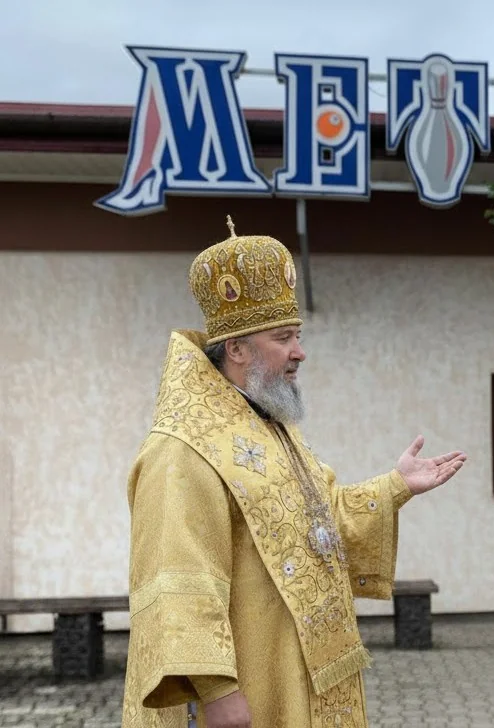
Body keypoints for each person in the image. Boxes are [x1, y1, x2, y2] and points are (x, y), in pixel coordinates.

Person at [121, 218, 467, 728]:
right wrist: (218, 691)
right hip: (246, 688)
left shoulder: (270, 424)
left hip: (303, 673)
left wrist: (395, 487)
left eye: (297, 336)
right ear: (237, 348)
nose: (299, 352)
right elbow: (177, 574)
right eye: (283, 337)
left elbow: (318, 522)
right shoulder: (182, 448)